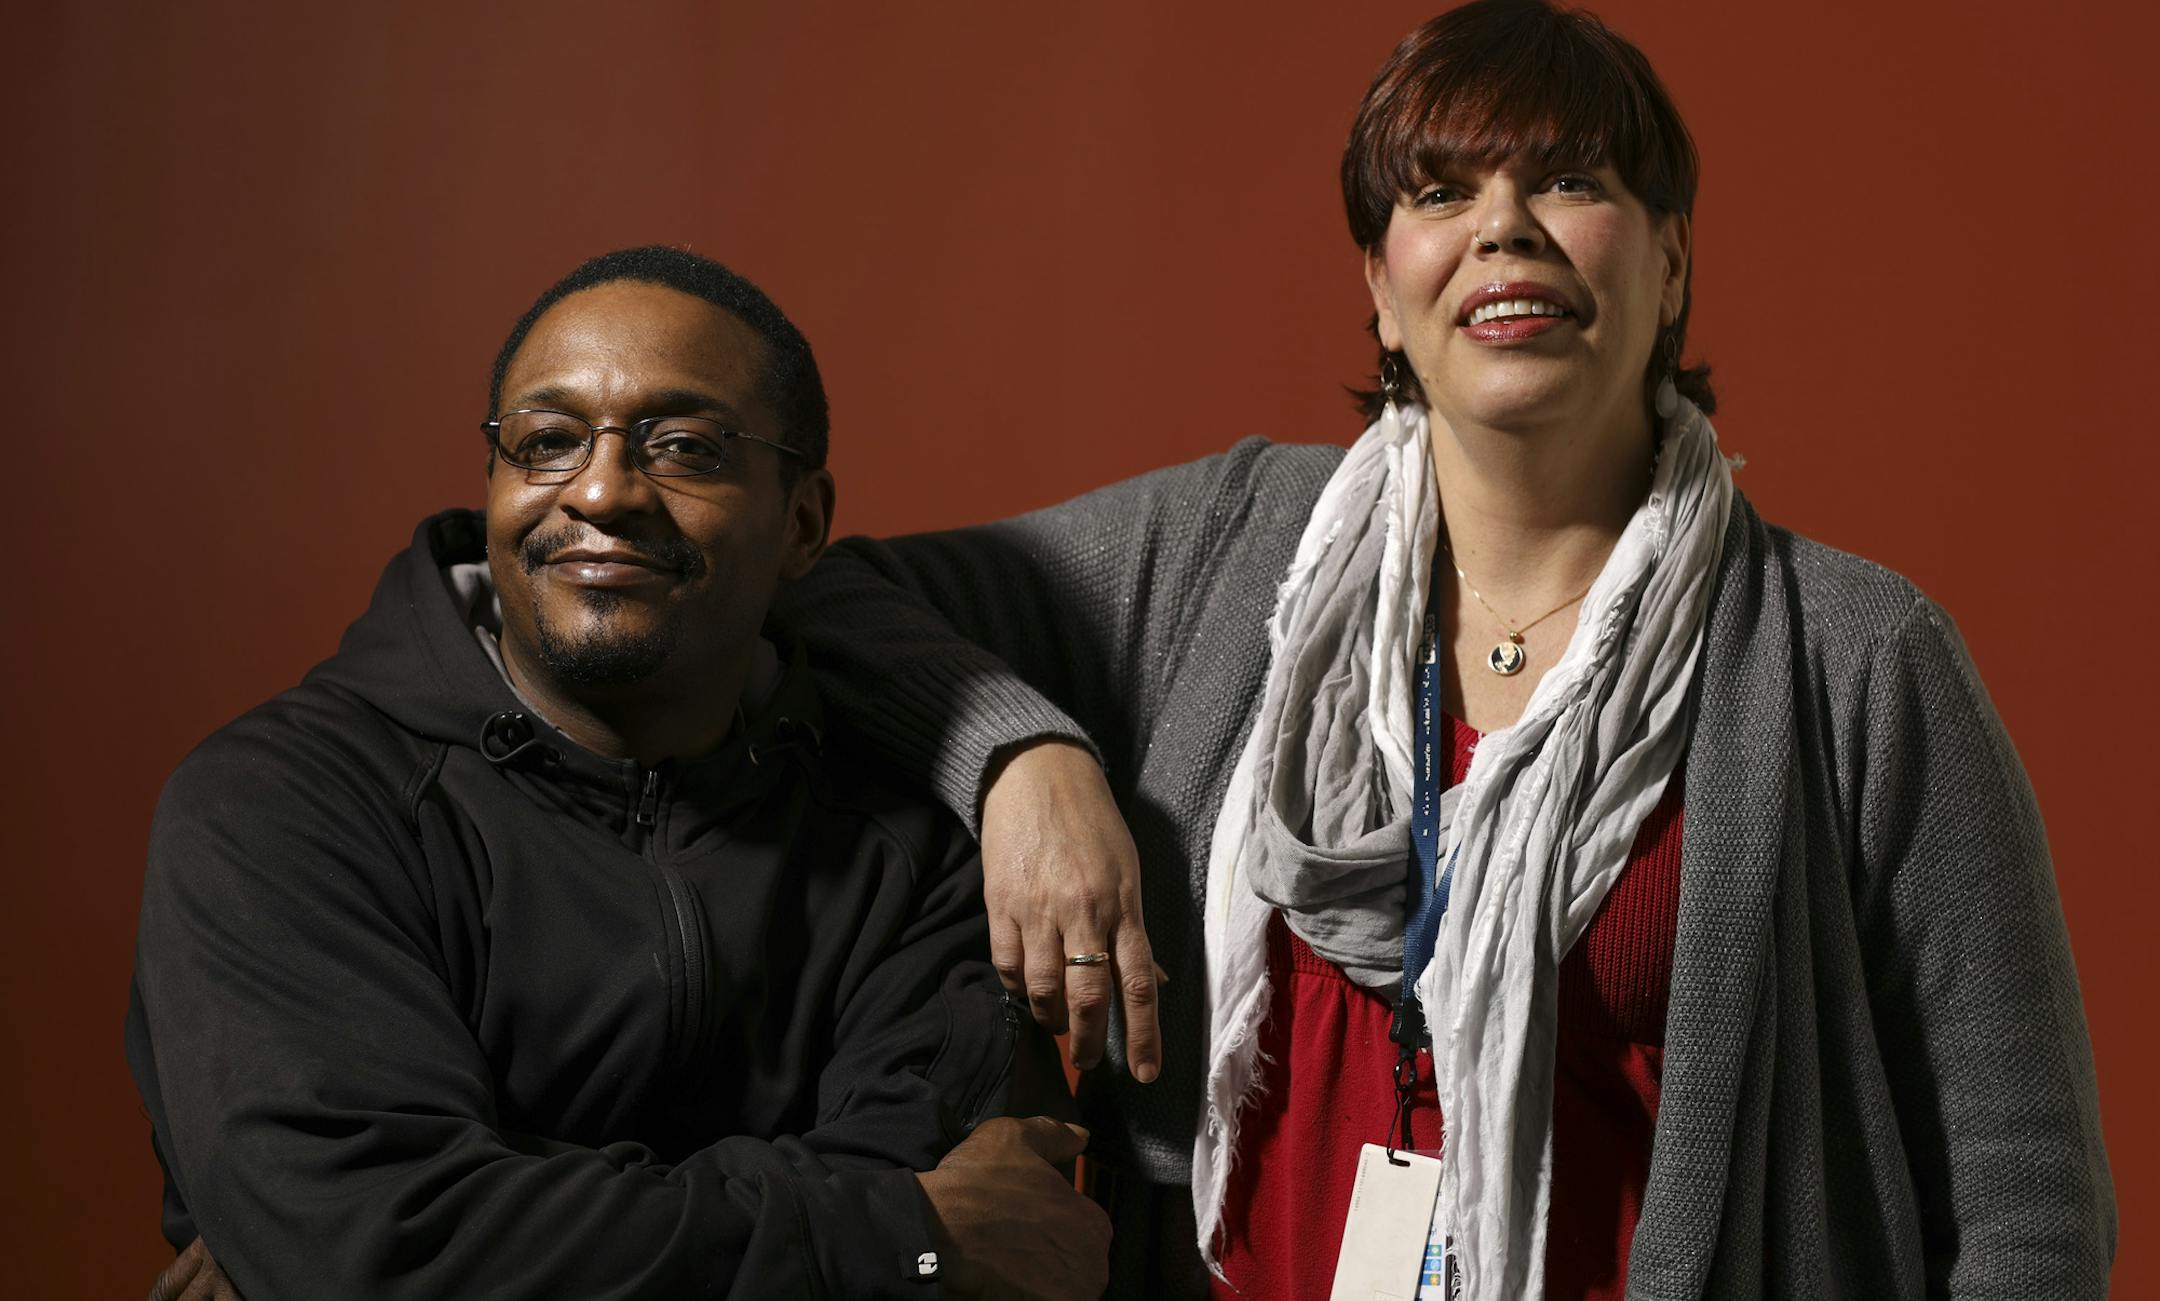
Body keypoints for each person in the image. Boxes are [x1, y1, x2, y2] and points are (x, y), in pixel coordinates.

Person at [768, 2, 2118, 1297]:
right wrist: (1024, 762)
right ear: (1381, 286)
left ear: (1670, 263)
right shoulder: (1232, 548)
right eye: (1441, 192)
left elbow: (2025, 1200)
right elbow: (818, 592)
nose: (1503, 228)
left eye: (1569, 180)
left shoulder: (1858, 658)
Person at [126, 245, 1111, 1301]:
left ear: (802, 524)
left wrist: (469, 1213)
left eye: (683, 446)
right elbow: (380, 1246)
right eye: (547, 441)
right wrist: (906, 1238)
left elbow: (1000, 1235)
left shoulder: (913, 838)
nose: (599, 490)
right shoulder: (282, 804)